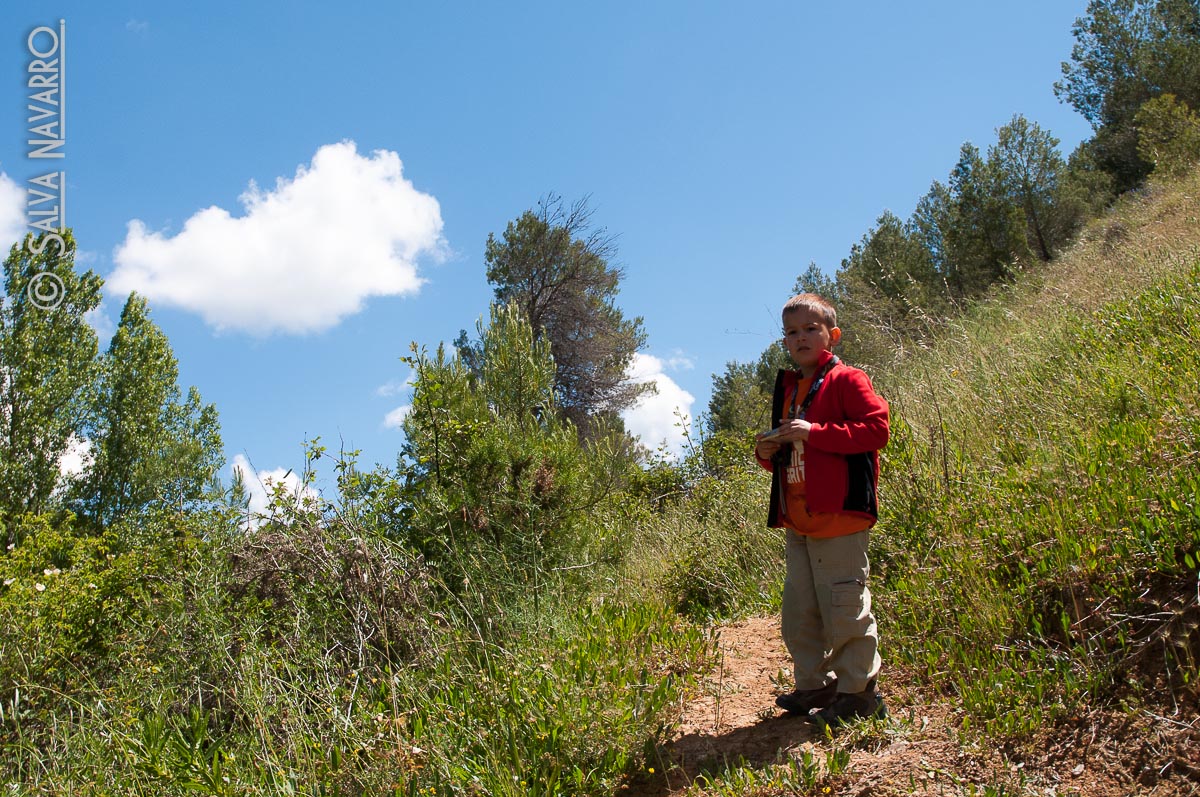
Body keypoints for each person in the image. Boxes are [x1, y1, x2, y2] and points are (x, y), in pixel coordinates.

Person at [754, 293, 889, 728]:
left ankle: (858, 694)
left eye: (811, 329)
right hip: (799, 519)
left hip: (840, 517)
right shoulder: (790, 389)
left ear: (833, 335)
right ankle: (814, 685)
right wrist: (766, 451)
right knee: (800, 612)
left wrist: (813, 432)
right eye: (792, 332)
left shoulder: (847, 379)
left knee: (845, 608)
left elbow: (876, 430)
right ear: (785, 342)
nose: (801, 337)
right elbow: (792, 456)